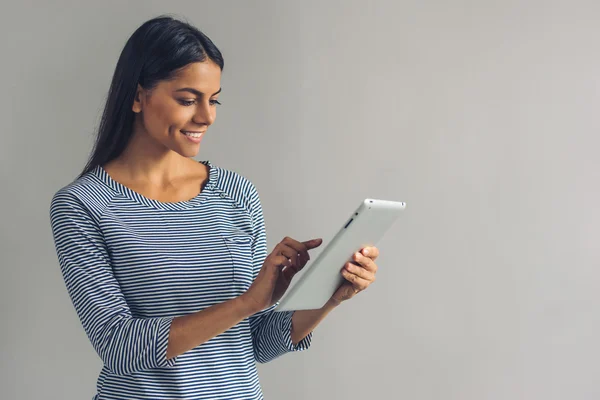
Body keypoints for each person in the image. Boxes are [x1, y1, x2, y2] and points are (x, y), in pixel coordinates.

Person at [49, 15, 380, 400]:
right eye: (188, 100)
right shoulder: (82, 205)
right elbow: (119, 345)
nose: (206, 116)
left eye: (214, 99)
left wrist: (329, 298)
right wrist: (246, 302)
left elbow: (256, 342)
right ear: (138, 96)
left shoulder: (236, 193)